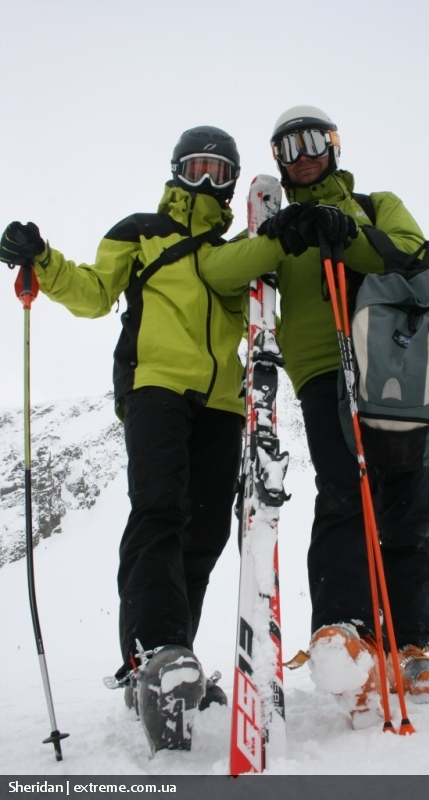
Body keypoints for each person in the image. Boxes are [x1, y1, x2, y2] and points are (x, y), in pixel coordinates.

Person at [0, 126, 246, 752]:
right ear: (176, 170)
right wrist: (42, 259)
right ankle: (154, 650)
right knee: (160, 509)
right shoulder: (140, 231)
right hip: (155, 385)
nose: (207, 180)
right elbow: (92, 292)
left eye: (220, 171)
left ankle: (176, 659)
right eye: (197, 167)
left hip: (224, 402)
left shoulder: (234, 254)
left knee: (205, 532)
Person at [201, 106, 429, 728]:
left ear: (334, 147)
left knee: (406, 497)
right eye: (288, 147)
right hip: (321, 371)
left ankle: (410, 642)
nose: (303, 155)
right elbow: (220, 272)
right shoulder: (281, 225)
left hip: (391, 367)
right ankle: (346, 628)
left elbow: (411, 254)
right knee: (344, 488)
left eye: (314, 141)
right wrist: (278, 238)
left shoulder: (374, 205)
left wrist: (347, 232)